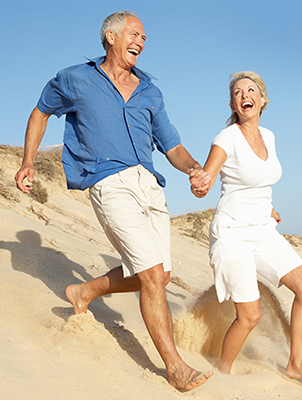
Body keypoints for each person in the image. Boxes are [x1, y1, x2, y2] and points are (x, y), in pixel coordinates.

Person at [15, 10, 213, 391]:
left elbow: (172, 145)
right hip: (108, 182)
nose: (141, 41)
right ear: (111, 36)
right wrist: (27, 162)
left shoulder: (150, 91)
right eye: (135, 34)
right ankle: (174, 367)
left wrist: (194, 169)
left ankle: (83, 291)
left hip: (149, 185)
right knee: (153, 276)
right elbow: (40, 112)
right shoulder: (76, 78)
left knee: (158, 275)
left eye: (144, 37)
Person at [190, 71, 302, 386]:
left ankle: (296, 364)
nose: (244, 96)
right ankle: (222, 373)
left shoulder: (269, 136)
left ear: (263, 100)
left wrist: (268, 209)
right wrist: (201, 183)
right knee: (249, 316)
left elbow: (259, 181)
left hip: (263, 229)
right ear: (232, 103)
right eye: (237, 93)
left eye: (251, 90)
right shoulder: (226, 138)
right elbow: (209, 177)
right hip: (232, 233)